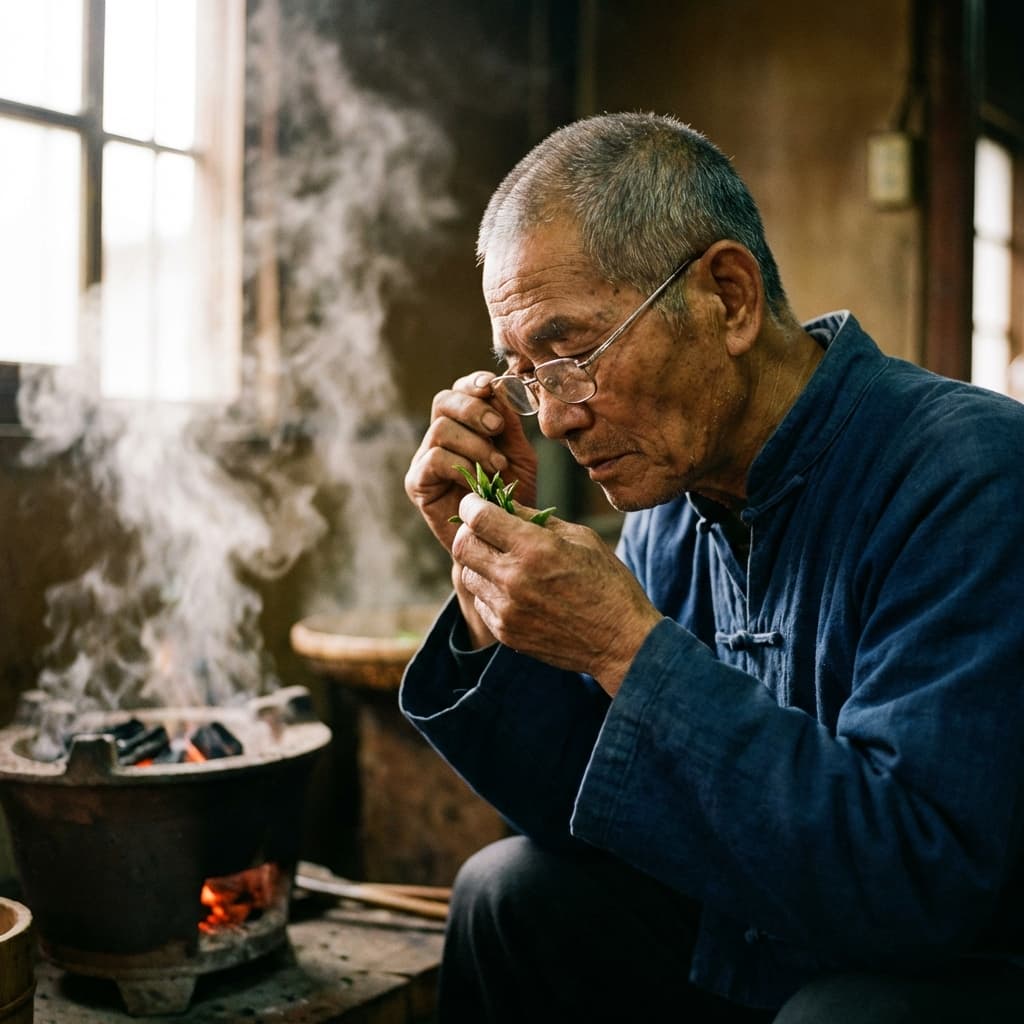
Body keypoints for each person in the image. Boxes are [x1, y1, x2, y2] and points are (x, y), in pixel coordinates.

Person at [400, 111, 1024, 1022]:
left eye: (572, 353)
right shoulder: (671, 502)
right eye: (528, 374)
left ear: (727, 298)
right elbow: (588, 815)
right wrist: (492, 607)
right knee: (509, 893)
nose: (558, 418)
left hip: (954, 961)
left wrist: (627, 646)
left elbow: (915, 885)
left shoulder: (970, 475)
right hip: (765, 934)